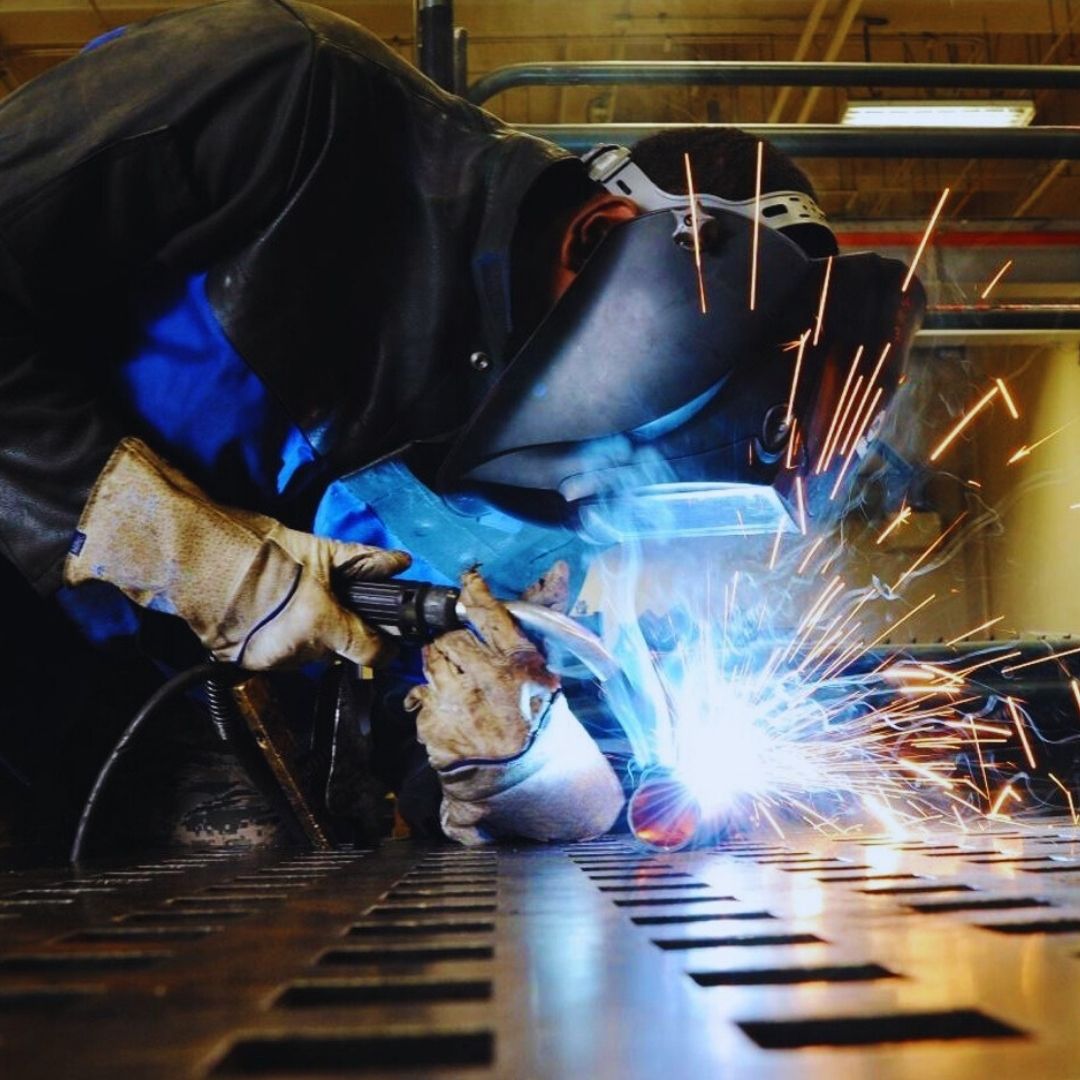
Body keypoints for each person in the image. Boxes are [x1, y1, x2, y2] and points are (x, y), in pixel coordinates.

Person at [0, 0, 920, 852]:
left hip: (133, 704)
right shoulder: (285, 98)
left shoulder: (539, 473)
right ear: (599, 240)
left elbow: (412, 718)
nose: (597, 487)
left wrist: (523, 775)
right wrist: (162, 541)